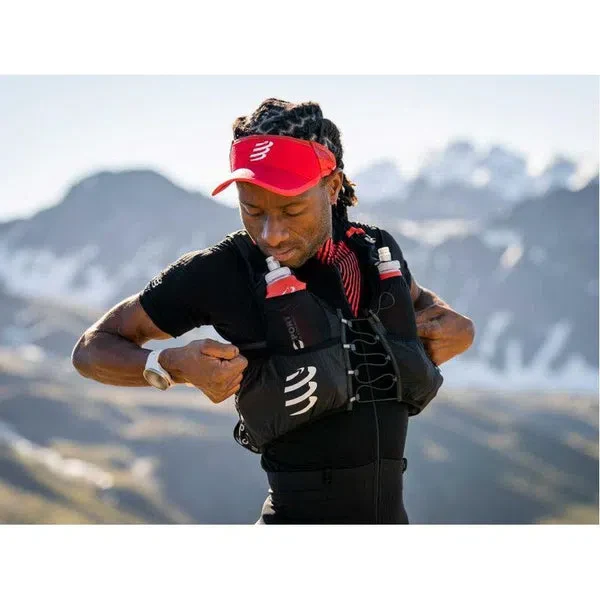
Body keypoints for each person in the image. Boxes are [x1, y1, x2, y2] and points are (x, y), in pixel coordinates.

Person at [72, 98, 475, 524]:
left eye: (291, 210)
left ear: (332, 187)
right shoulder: (223, 270)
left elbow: (424, 304)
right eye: (252, 209)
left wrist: (458, 328)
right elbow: (90, 350)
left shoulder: (374, 251)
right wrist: (171, 366)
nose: (271, 234)